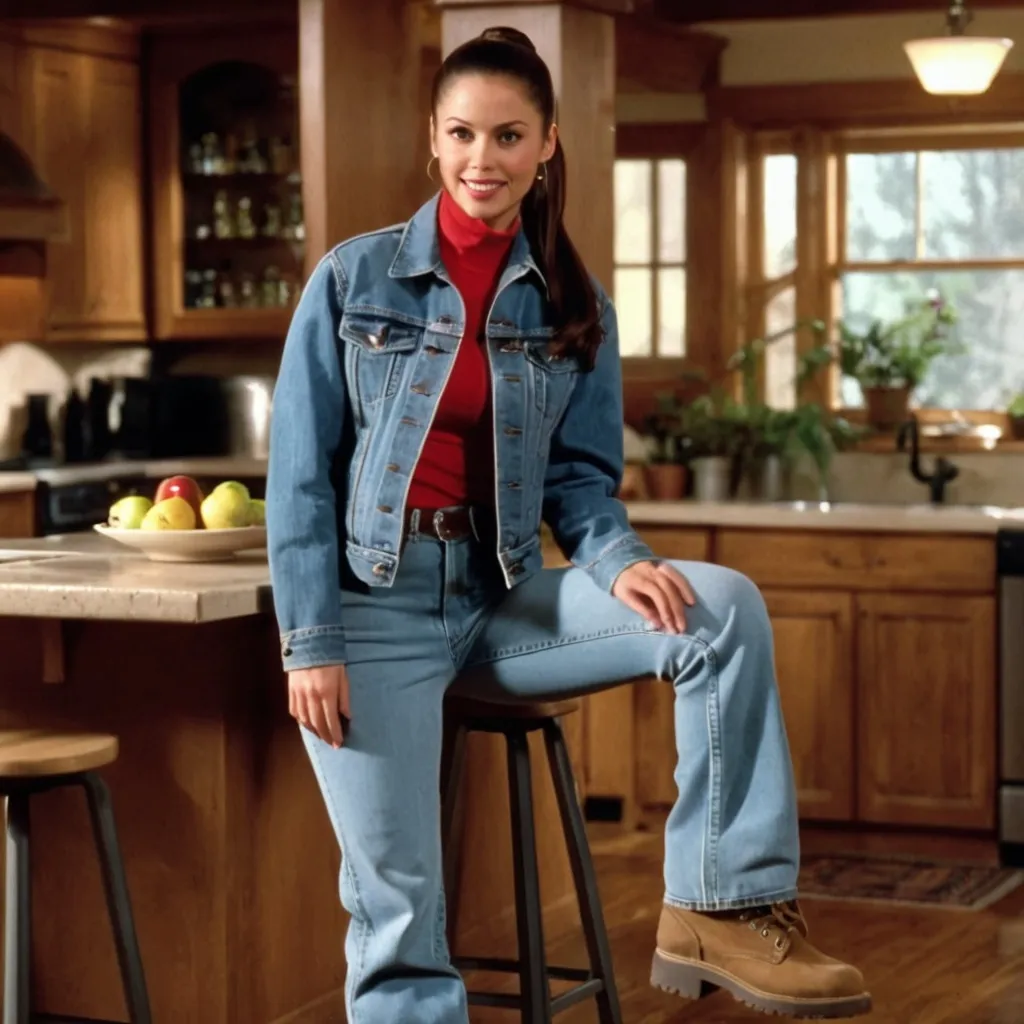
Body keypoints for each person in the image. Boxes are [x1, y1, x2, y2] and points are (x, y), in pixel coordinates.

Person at [266, 25, 871, 1024]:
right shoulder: (351, 280)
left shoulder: (571, 302)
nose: (481, 159)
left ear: (546, 144)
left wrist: (619, 556)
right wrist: (312, 640)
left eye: (508, 136)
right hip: (372, 609)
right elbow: (297, 479)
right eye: (462, 133)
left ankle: (720, 904)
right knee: (400, 908)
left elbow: (582, 482)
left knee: (716, 607)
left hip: (497, 600)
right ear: (433, 137)